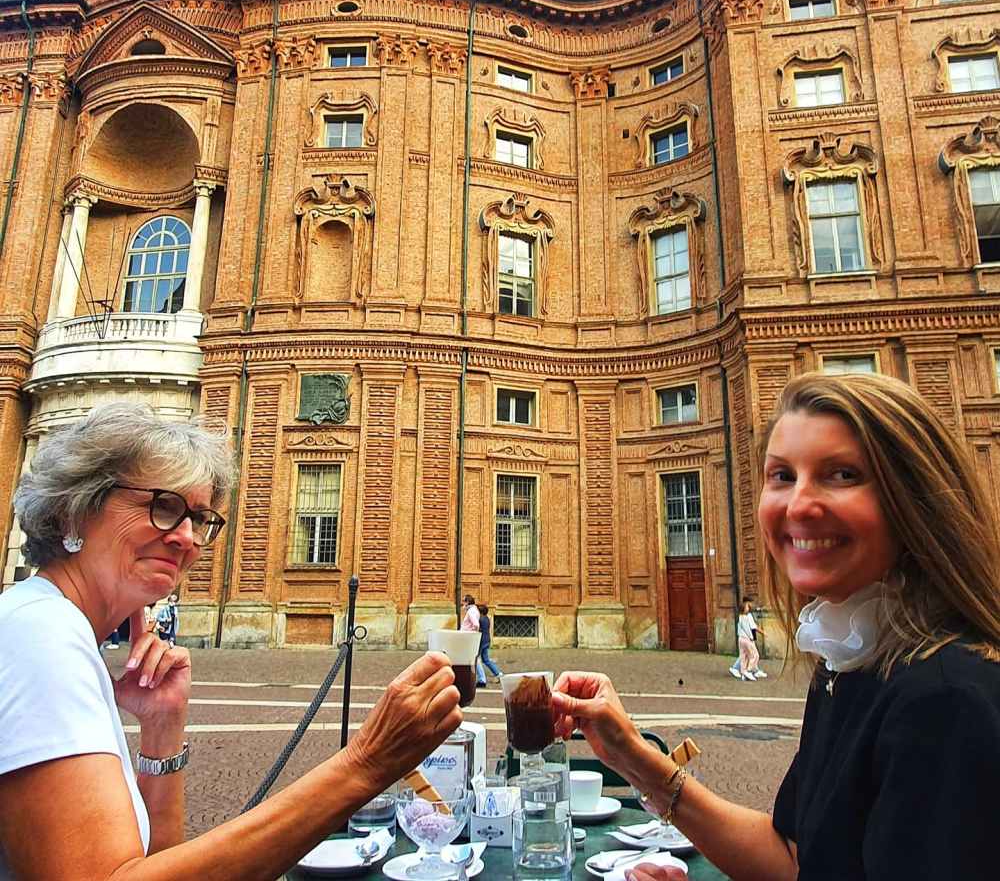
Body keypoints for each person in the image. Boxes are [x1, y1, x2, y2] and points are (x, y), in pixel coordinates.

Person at [553, 373, 1000, 881]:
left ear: (915, 500)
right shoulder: (850, 662)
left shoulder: (946, 700)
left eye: (842, 474)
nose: (799, 504)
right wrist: (631, 755)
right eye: (782, 475)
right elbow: (793, 860)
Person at [0, 402, 462, 880]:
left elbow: (152, 865)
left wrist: (162, 733)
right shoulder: (40, 636)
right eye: (163, 506)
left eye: (199, 519)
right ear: (74, 512)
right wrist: (367, 765)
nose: (185, 538)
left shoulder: (57, 629)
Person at [729, 598, 765, 682]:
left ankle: (744, 672)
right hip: (747, 638)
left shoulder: (741, 617)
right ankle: (748, 671)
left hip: (741, 638)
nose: (749, 607)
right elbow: (750, 629)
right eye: (748, 606)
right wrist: (752, 638)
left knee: (743, 656)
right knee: (754, 655)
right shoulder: (746, 617)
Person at [476, 604, 503, 686]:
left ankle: (482, 679)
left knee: (476, 659)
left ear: (480, 612)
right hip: (487, 641)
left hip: (481, 641)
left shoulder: (480, 619)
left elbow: (478, 630)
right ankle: (499, 674)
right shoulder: (487, 618)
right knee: (486, 660)